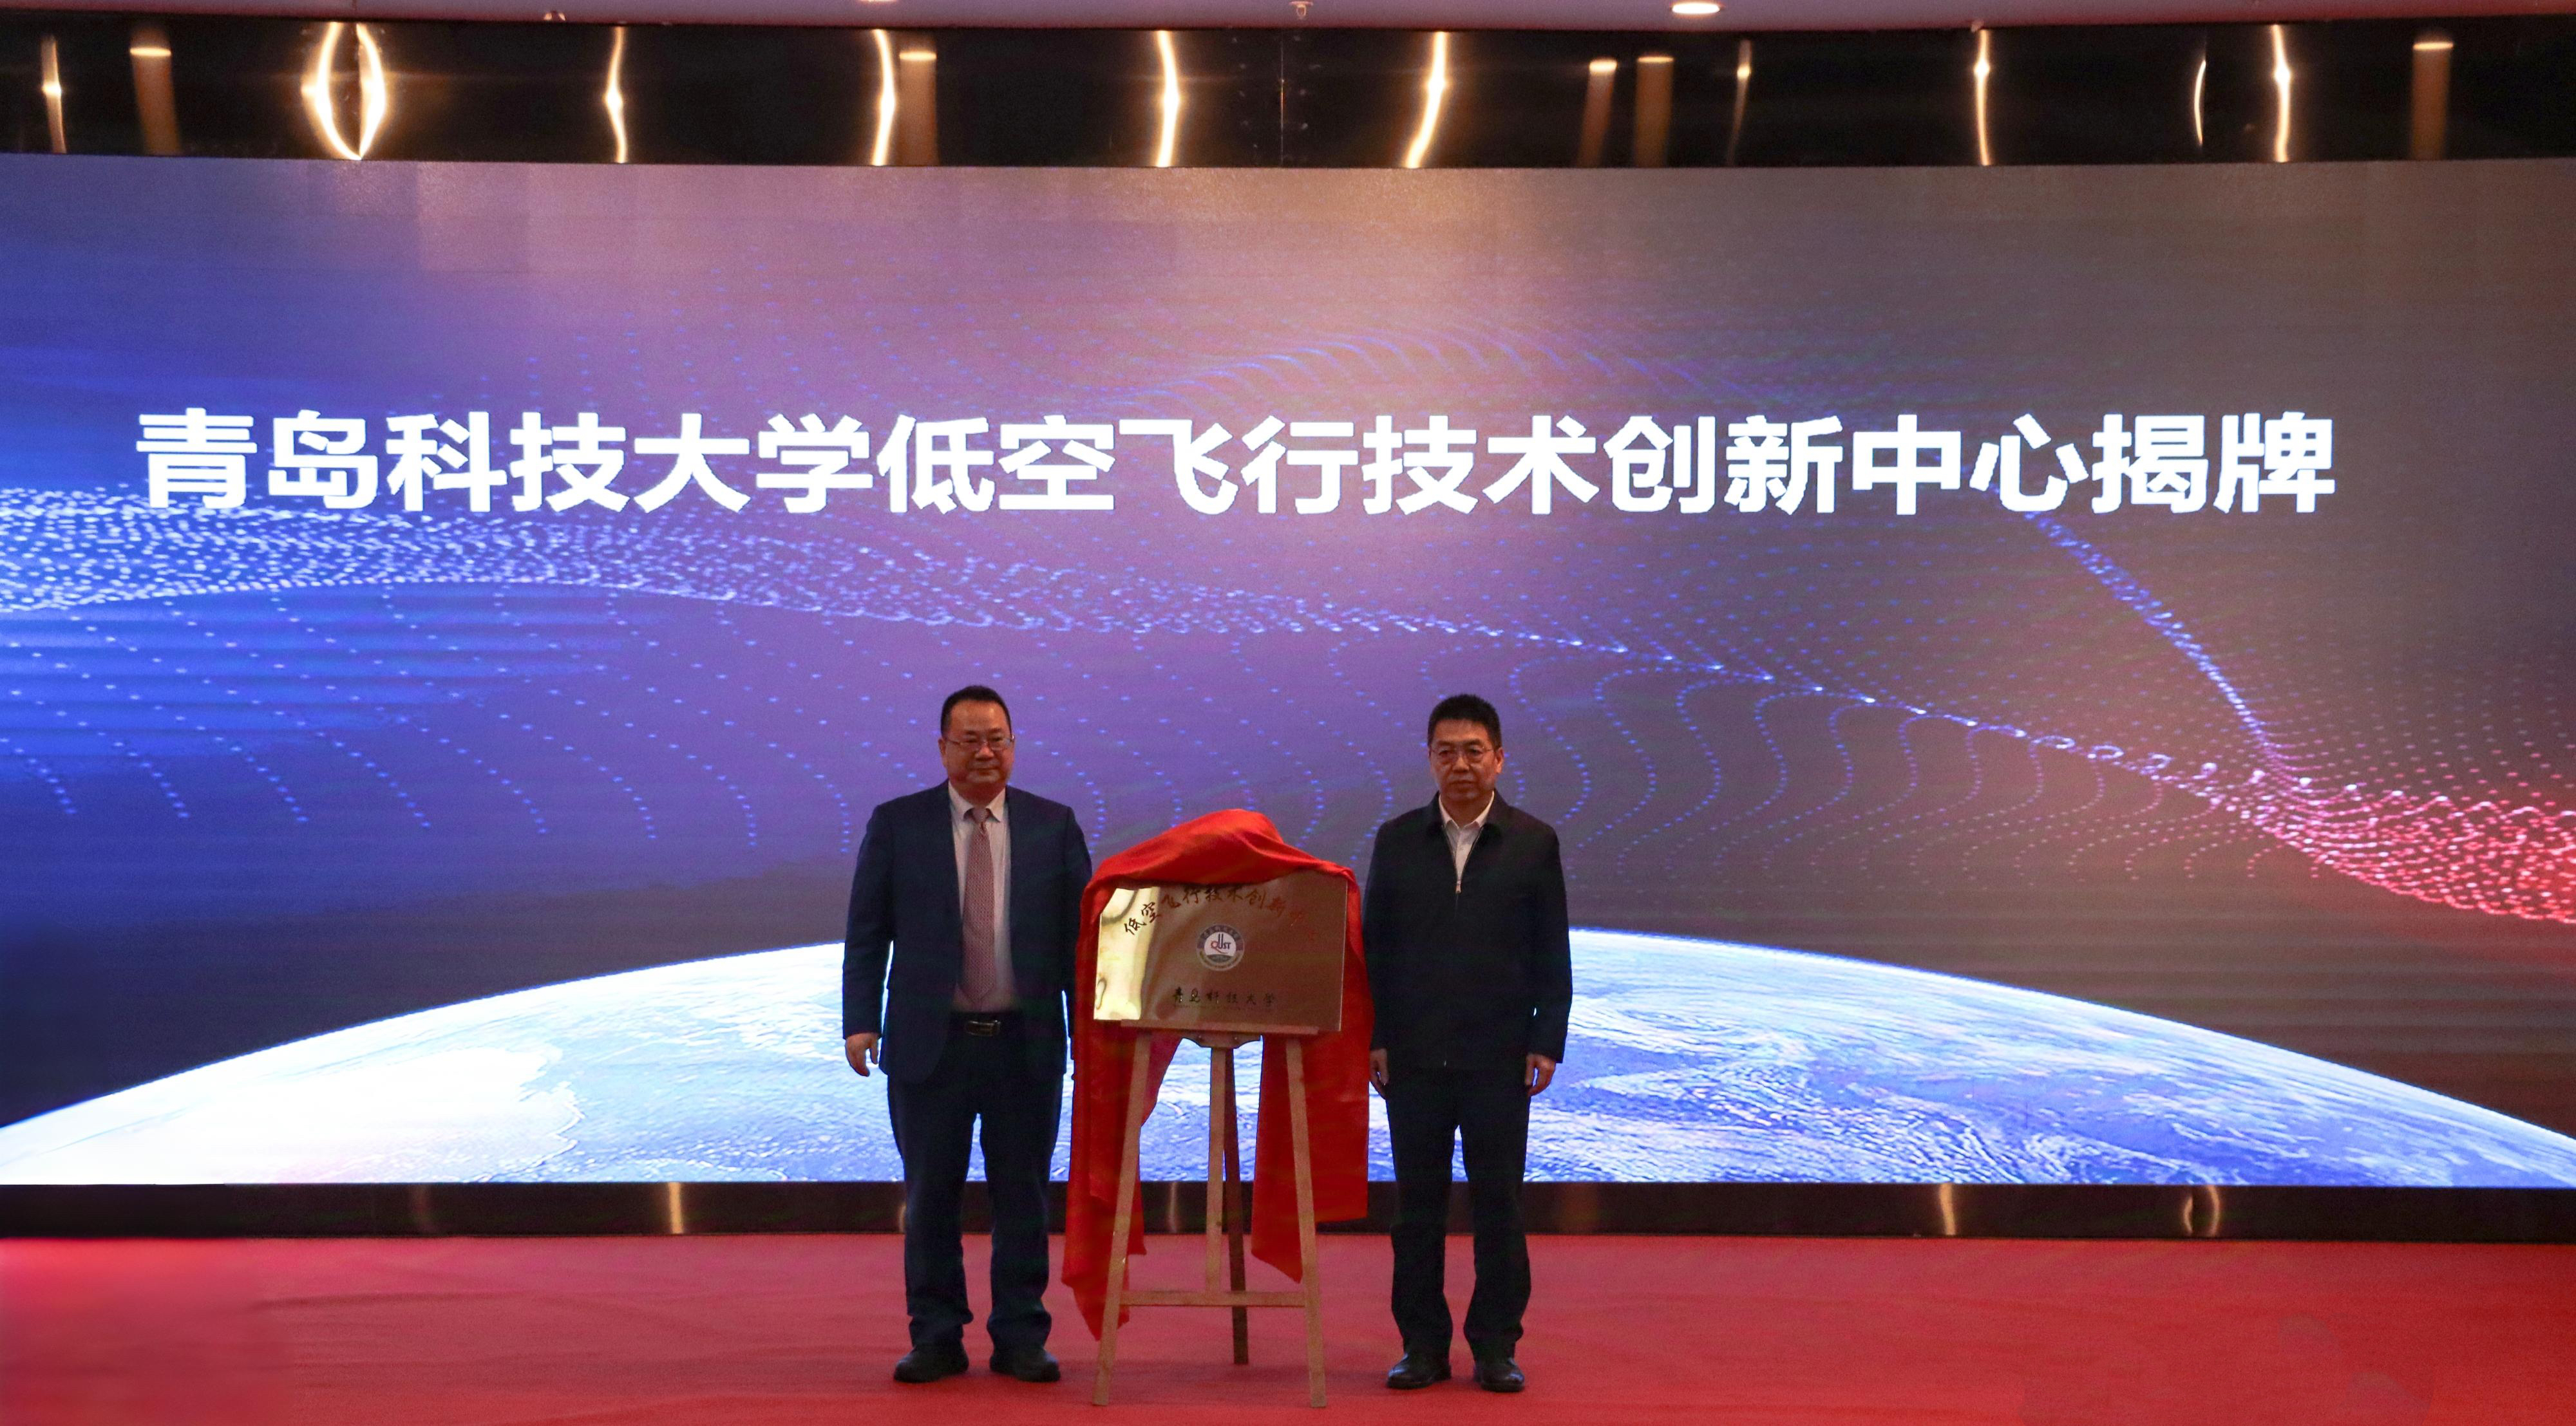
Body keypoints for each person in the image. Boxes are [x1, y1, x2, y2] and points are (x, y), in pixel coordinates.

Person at [844, 684, 1092, 1385]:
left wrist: (1090, 1038)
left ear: (1014, 745)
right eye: (970, 740)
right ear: (943, 747)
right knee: (930, 1197)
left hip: (1024, 1043)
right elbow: (867, 931)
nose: (986, 752)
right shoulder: (899, 824)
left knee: (1024, 1197)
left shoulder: (1053, 824)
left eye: (997, 739)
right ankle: (936, 1335)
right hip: (931, 1044)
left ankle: (1021, 1334)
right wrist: (860, 1020)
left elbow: (1083, 945)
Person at [1363, 693, 1572, 1394]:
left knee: (1498, 1209)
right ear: (1429, 759)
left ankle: (1495, 1346)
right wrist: (1377, 1035)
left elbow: (1552, 948)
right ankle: (1421, 1346)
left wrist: (1546, 1038)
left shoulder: (1533, 841)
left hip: (1499, 1057)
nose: (1460, 764)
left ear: (1499, 759)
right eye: (1446, 751)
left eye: (1473, 751)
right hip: (1414, 1058)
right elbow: (1377, 949)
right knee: (1416, 1213)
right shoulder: (1397, 839)